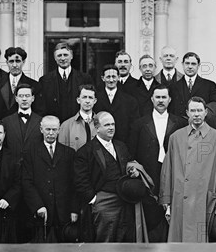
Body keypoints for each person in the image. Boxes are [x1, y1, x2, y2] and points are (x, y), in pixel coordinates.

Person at [159, 97, 216, 243]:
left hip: (204, 198)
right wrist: (166, 198)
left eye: (199, 110)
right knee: (179, 243)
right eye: (193, 111)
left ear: (205, 113)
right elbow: (167, 169)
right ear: (187, 113)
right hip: (180, 197)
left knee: (200, 244)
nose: (196, 114)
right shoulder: (176, 137)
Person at [128, 85, 187, 241]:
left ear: (169, 100)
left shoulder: (180, 123)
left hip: (173, 175)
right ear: (152, 99)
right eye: (158, 97)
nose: (161, 101)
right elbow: (132, 153)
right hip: (149, 177)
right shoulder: (139, 124)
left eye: (164, 97)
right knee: (152, 219)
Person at [74, 111, 138, 242]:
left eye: (113, 124)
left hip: (125, 200)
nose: (111, 128)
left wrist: (134, 172)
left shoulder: (121, 146)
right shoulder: (86, 151)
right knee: (105, 239)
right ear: (97, 128)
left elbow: (129, 164)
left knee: (124, 238)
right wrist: (94, 199)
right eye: (107, 125)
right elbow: (80, 179)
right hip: (103, 202)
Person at [22, 116, 78, 241]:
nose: (51, 133)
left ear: (59, 130)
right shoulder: (30, 152)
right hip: (41, 210)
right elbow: (27, 182)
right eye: (48, 129)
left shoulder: (69, 153)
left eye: (54, 130)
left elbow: (74, 184)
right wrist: (38, 206)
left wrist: (74, 210)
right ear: (41, 129)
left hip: (63, 211)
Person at [38, 43, 92, 122]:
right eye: (59, 55)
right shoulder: (45, 80)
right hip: (54, 127)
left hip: (79, 124)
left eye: (65, 55)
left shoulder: (85, 79)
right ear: (55, 58)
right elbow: (42, 108)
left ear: (71, 56)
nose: (63, 58)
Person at [94, 65, 139, 144]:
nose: (111, 80)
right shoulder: (95, 99)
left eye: (114, 77)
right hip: (100, 143)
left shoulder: (130, 101)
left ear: (118, 77)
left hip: (123, 144)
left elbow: (134, 128)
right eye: (108, 77)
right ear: (103, 78)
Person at [168, 52, 216, 119]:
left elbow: (215, 107)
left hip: (201, 124)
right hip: (180, 126)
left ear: (198, 65)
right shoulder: (173, 87)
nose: (190, 67)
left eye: (193, 64)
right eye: (187, 63)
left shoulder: (209, 85)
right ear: (182, 64)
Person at [1, 84, 43, 159]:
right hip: (12, 166)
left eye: (27, 96)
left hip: (35, 166)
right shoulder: (5, 121)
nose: (24, 99)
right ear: (16, 98)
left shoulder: (41, 121)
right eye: (21, 96)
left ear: (33, 98)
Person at [2, 46, 40, 117]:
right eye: (11, 61)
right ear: (7, 62)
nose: (14, 65)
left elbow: (37, 110)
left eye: (18, 61)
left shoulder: (34, 85)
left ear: (23, 62)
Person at [58, 84, 98, 151]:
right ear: (78, 100)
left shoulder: (101, 124)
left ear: (95, 101)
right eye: (84, 97)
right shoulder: (66, 125)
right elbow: (62, 153)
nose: (87, 101)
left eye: (90, 98)